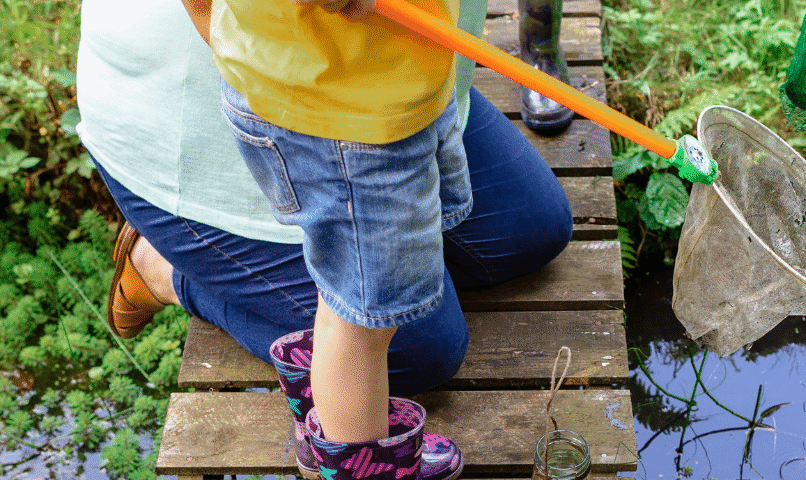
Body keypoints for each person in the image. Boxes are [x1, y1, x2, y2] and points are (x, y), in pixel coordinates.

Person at [78, 0, 573, 477]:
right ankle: (357, 463)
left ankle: (319, 420)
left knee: (527, 232)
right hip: (337, 118)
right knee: (367, 319)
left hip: (389, 76)